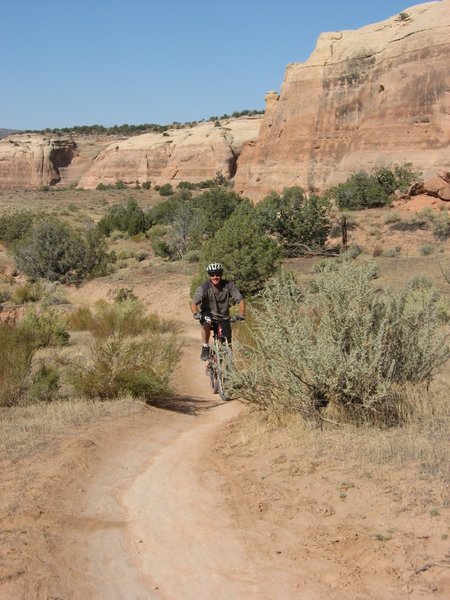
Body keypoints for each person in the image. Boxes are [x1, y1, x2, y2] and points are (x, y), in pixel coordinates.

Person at [190, 262, 245, 361]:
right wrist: (196, 313)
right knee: (206, 322)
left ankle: (229, 367)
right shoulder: (205, 287)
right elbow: (194, 303)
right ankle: (205, 346)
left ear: (221, 275)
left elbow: (240, 300)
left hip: (223, 316)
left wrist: (241, 314)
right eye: (212, 275)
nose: (215, 277)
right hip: (208, 313)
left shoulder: (229, 285)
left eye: (218, 274)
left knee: (227, 340)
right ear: (209, 276)